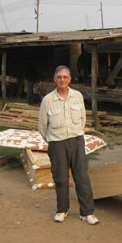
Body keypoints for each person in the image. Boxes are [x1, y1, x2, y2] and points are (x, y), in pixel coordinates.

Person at [38, 65, 99, 225]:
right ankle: (62, 210)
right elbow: (42, 126)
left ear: (70, 79)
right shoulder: (48, 100)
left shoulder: (77, 96)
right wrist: (53, 139)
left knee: (82, 177)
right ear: (54, 79)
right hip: (57, 144)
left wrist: (76, 133)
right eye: (59, 77)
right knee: (61, 178)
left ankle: (87, 213)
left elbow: (83, 119)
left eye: (65, 77)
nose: (62, 80)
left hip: (77, 141)